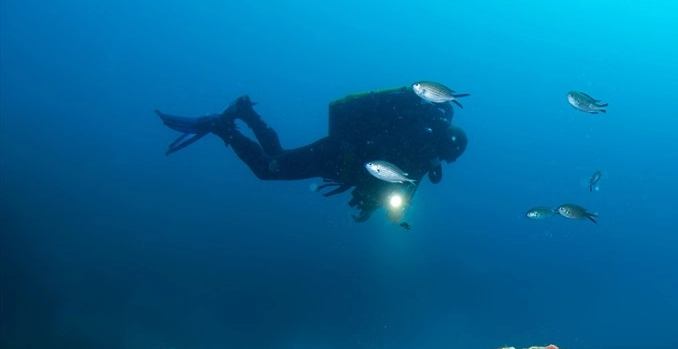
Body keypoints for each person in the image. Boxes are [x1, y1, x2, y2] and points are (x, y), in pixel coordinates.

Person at [156, 86, 467, 223]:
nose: (446, 163)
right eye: (450, 157)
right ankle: (223, 127)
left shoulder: (420, 153)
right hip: (335, 156)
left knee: (276, 157)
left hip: (335, 160)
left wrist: (372, 206)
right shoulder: (414, 143)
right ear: (446, 146)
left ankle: (244, 111)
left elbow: (395, 185)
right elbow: (381, 169)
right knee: (268, 169)